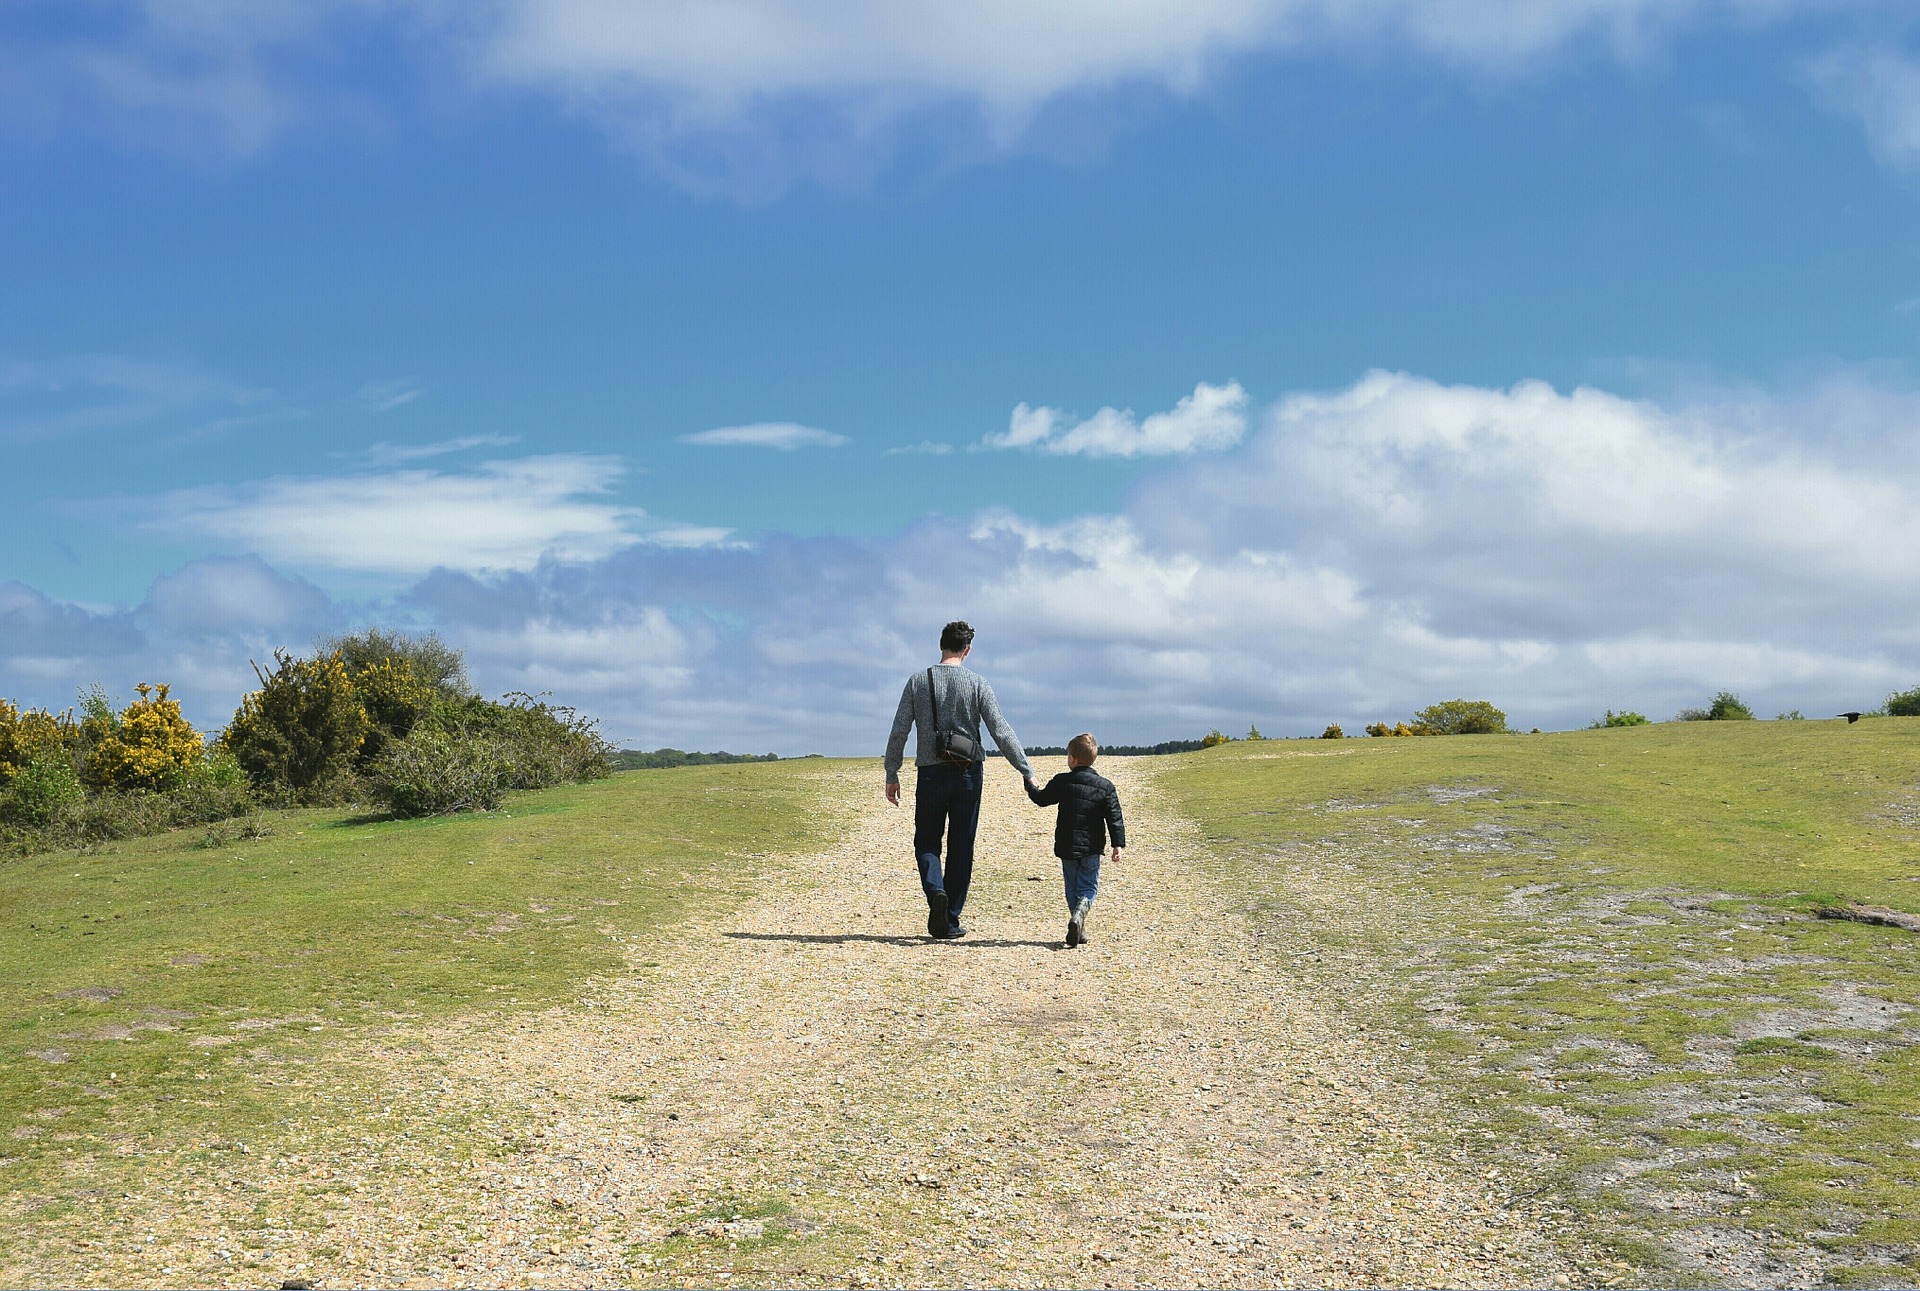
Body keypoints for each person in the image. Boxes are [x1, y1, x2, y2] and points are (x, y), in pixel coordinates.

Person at [884, 621, 1036, 939]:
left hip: (930, 773)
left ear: (941, 645)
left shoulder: (917, 681)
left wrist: (892, 772)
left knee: (926, 841)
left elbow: (900, 729)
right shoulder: (978, 683)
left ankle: (935, 891)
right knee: (961, 845)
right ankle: (950, 917)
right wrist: (1026, 770)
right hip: (968, 773)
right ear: (967, 649)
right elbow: (1000, 729)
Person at [1024, 733, 1126, 948]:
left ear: (1073, 759)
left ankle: (1078, 922)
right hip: (1092, 847)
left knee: (1071, 887)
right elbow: (1114, 817)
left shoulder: (1062, 781)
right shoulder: (1105, 787)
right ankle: (1080, 917)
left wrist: (1030, 783)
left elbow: (1041, 800)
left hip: (1067, 845)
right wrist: (1118, 844)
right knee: (1088, 887)